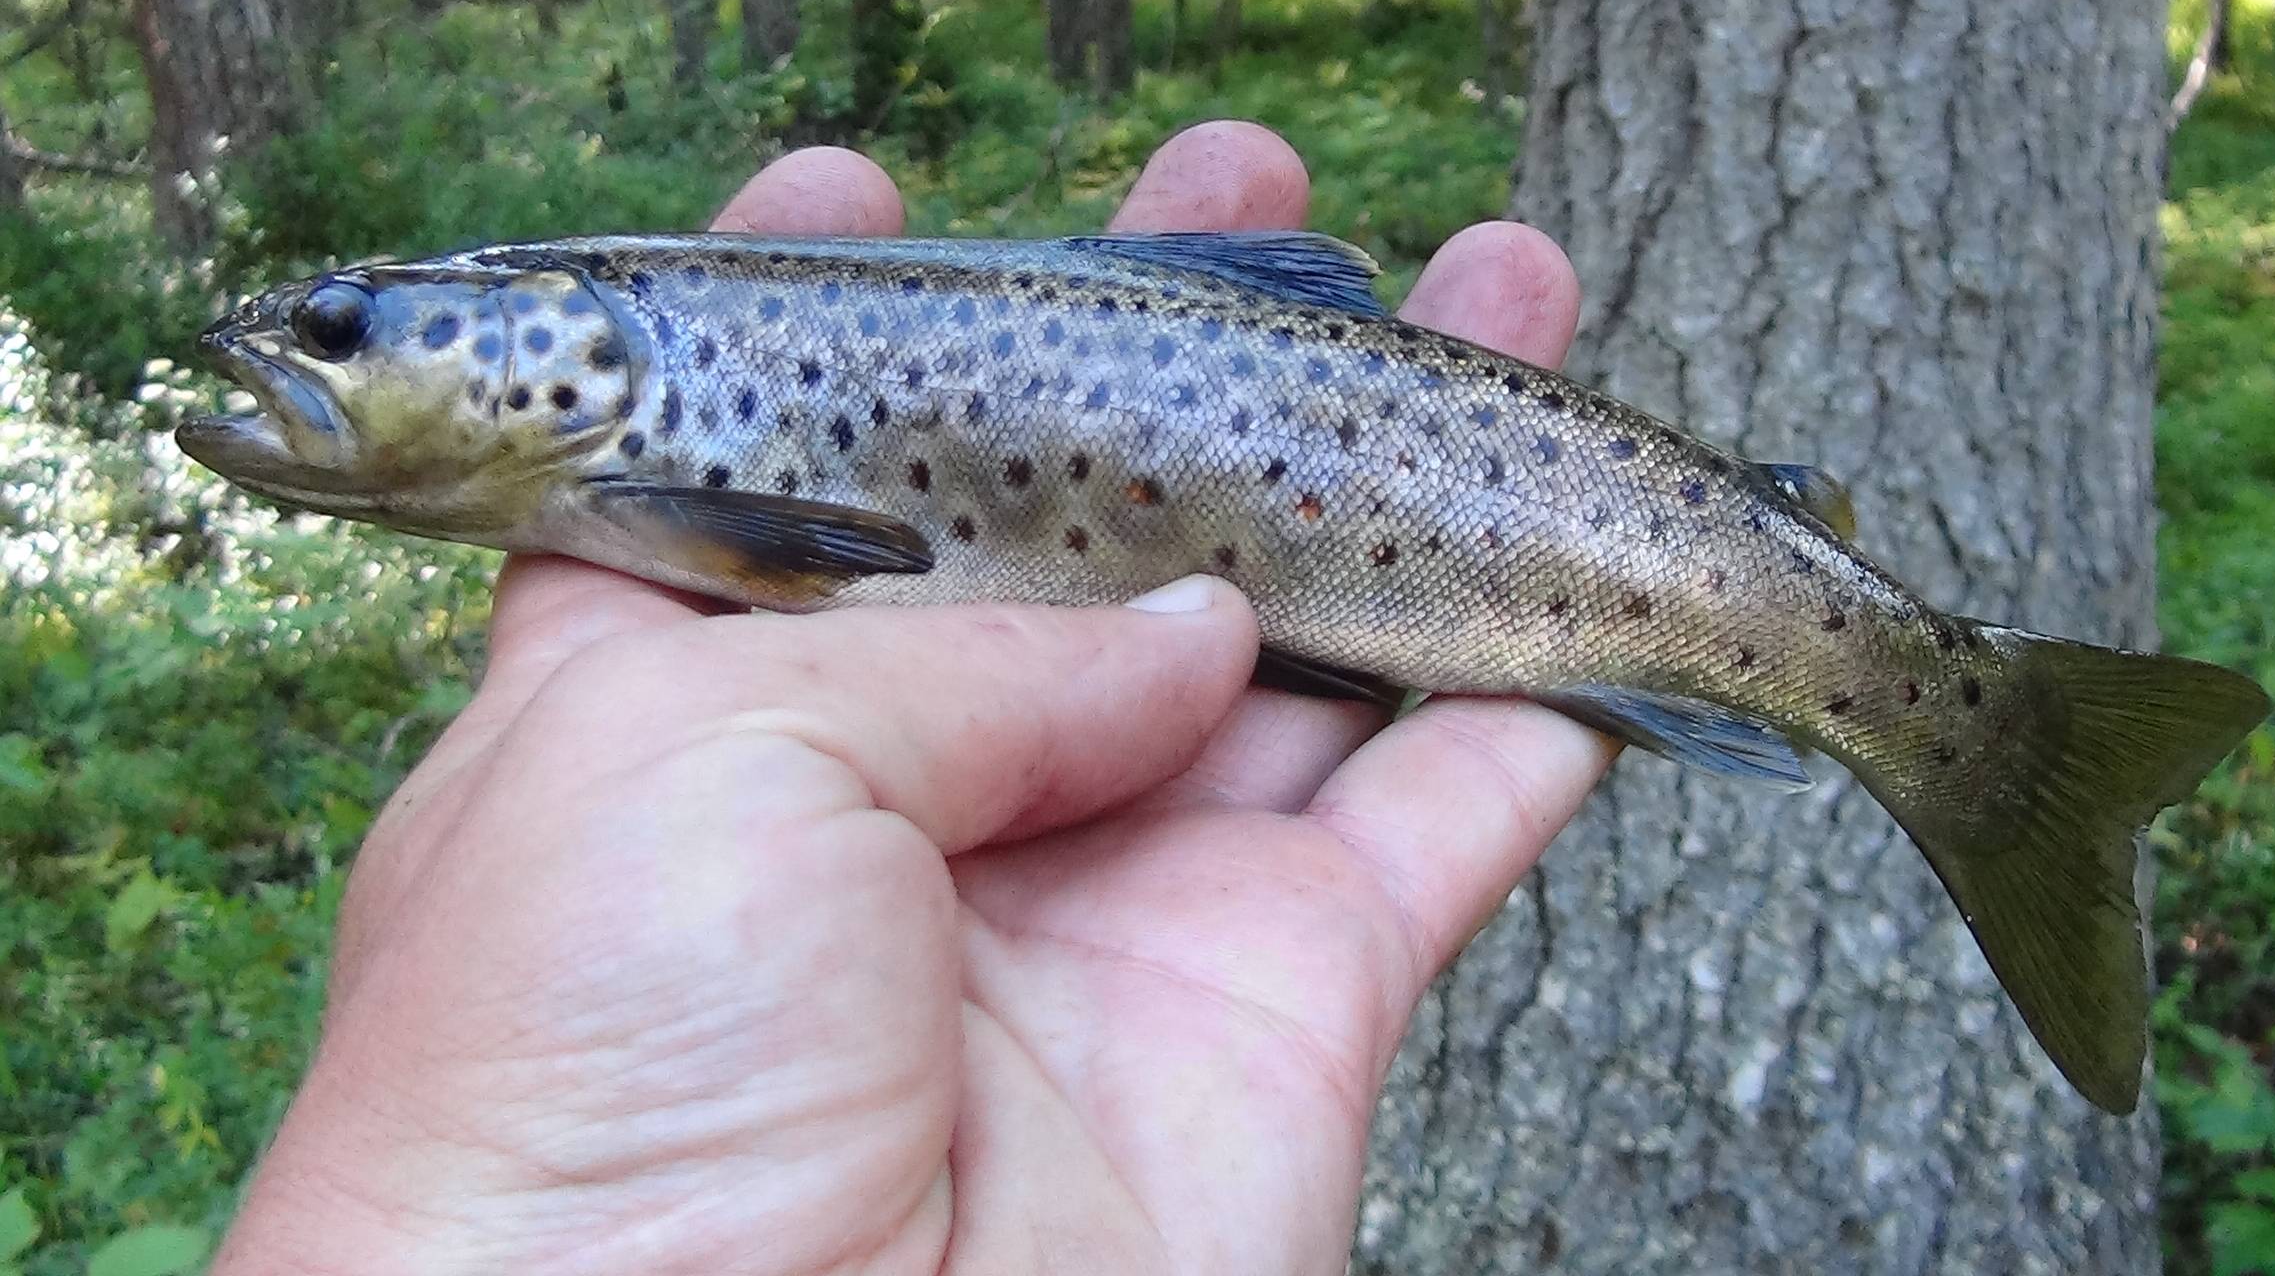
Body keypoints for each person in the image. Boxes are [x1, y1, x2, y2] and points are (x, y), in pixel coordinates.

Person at [209, 121, 1616, 1275]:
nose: (316, 352)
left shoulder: (645, 464)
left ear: (561, 342)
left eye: (342, 329)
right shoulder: (615, 481)